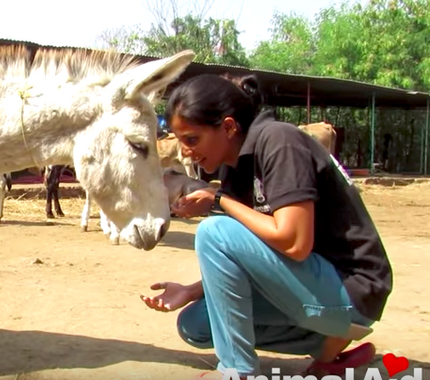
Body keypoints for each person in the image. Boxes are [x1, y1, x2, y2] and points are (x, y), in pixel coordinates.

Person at [140, 73, 393, 379]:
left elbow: (294, 243)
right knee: (197, 325)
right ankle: (326, 344)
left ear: (229, 127)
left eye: (192, 139)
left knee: (212, 231)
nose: (185, 151)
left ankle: (237, 370)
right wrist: (191, 291)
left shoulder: (280, 142)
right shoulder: (234, 168)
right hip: (309, 285)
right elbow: (244, 262)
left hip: (350, 289)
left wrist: (218, 200)